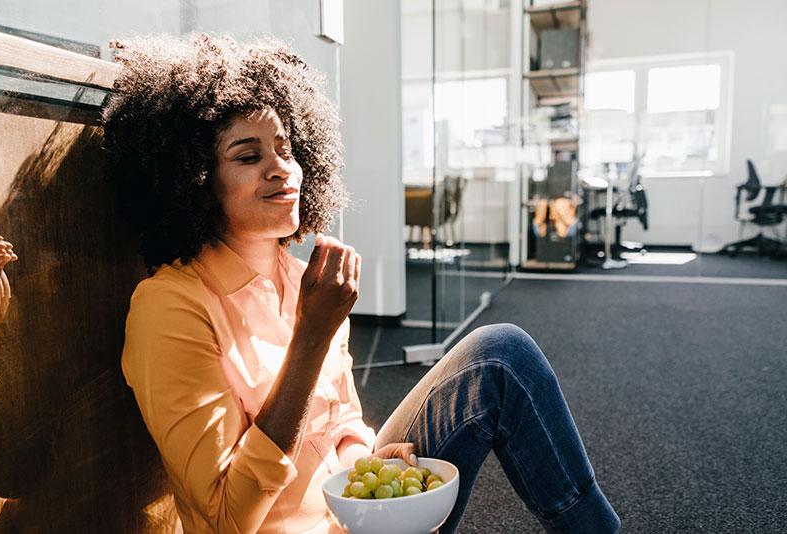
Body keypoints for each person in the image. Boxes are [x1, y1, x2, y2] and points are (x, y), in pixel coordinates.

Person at [102, 34, 619, 534]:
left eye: (285, 148)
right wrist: (311, 337)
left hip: (356, 515)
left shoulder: (304, 278)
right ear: (193, 181)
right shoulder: (170, 306)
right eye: (248, 156)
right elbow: (225, 520)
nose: (282, 169)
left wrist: (362, 453)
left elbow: (342, 415)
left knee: (501, 355)